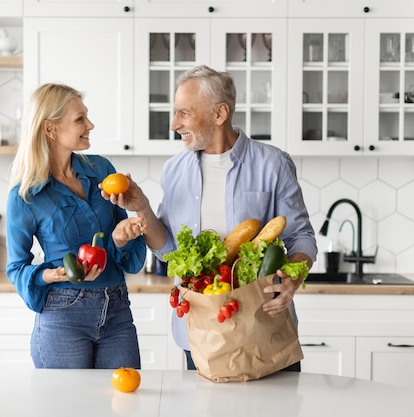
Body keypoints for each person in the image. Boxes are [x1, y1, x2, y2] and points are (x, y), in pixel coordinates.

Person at [106, 65, 317, 370]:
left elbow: (301, 237)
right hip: (203, 329)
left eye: (184, 113)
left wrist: (292, 280)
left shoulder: (273, 164)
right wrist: (143, 208)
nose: (174, 123)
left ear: (219, 114)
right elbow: (170, 252)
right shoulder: (174, 170)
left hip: (263, 326)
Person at [5, 83, 148, 369]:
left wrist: (122, 237)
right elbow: (16, 268)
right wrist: (51, 275)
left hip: (117, 308)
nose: (90, 124)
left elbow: (125, 241)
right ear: (50, 129)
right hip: (63, 313)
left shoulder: (102, 171)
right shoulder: (26, 195)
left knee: (124, 406)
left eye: (87, 116)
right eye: (80, 119)